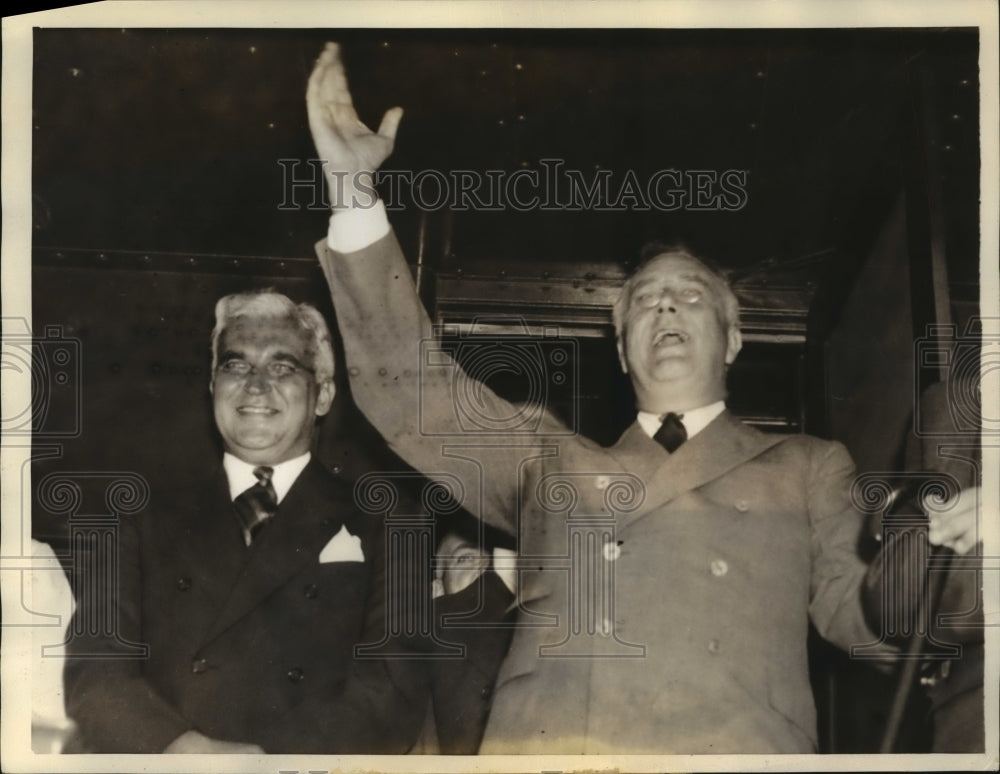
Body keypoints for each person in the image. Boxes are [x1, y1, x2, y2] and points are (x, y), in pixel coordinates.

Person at [303, 42, 981, 754]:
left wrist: (954, 555)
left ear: (733, 341)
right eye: (647, 302)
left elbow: (874, 618)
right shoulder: (546, 459)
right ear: (622, 348)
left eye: (691, 297)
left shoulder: (809, 465)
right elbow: (409, 394)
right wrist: (353, 197)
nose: (667, 310)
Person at [62, 290, 425, 753]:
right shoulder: (139, 516)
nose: (255, 385)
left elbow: (392, 695)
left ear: (323, 395)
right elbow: (94, 671)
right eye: (235, 366)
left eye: (282, 367)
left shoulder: (387, 521)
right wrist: (181, 749)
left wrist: (265, 763)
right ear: (213, 386)